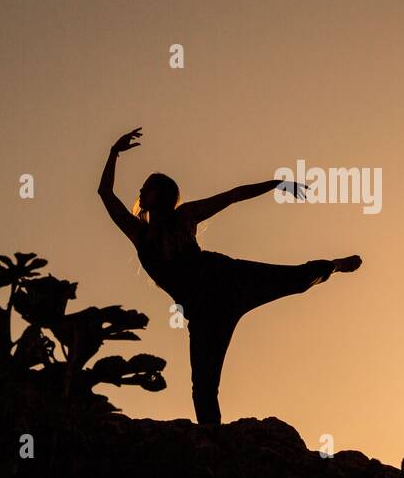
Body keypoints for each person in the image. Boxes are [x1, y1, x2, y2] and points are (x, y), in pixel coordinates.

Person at [99, 127, 362, 424]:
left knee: (298, 280)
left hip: (227, 278)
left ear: (161, 194)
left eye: (146, 187)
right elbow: (105, 194)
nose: (140, 192)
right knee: (204, 389)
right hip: (203, 313)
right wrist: (113, 152)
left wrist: (275, 183)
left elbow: (234, 196)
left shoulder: (185, 216)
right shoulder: (139, 233)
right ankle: (215, 446)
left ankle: (335, 265)